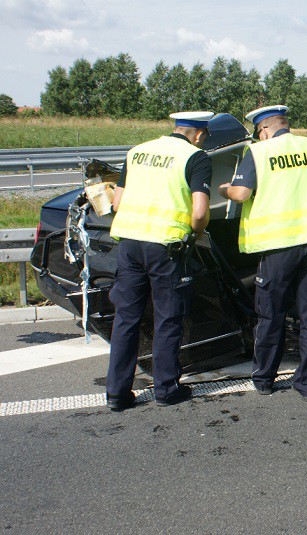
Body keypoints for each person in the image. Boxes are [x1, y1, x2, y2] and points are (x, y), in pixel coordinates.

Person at [218, 105, 307, 402]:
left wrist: (226, 189)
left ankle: (264, 379)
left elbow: (240, 194)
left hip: (277, 248)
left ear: (263, 130)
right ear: (285, 124)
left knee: (271, 315)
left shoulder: (258, 152)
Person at [105, 111, 214, 411]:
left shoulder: (137, 152)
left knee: (126, 318)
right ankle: (166, 389)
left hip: (128, 245)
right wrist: (195, 232)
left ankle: (116, 394)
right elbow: (201, 212)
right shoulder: (196, 157)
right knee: (168, 318)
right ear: (200, 134)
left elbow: (117, 203)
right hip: (166, 248)